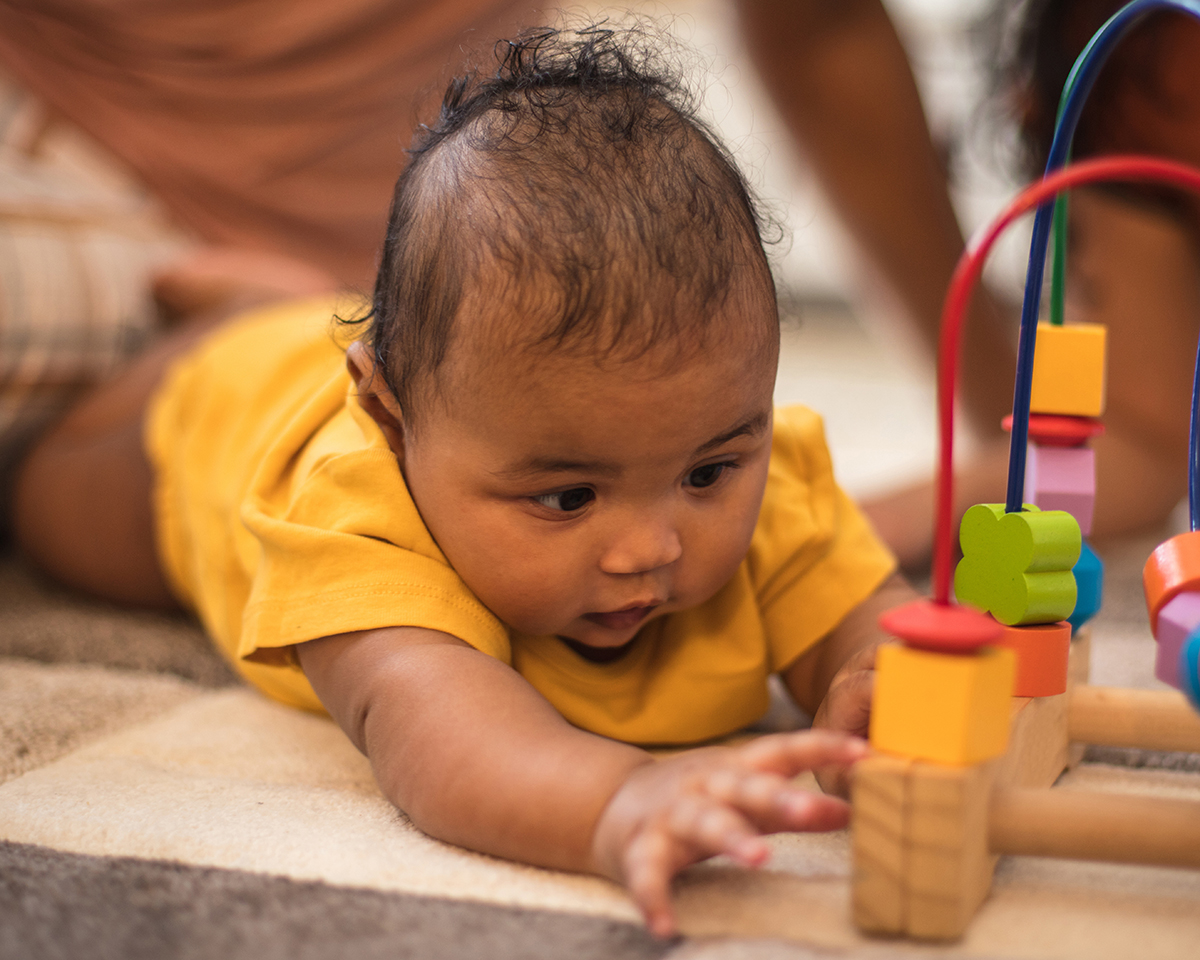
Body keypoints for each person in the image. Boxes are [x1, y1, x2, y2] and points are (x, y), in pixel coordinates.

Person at [11, 27, 915, 936]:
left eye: (710, 472)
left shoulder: (747, 475)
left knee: (445, 357)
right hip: (205, 417)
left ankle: (292, 300)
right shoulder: (360, 522)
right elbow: (449, 748)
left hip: (431, 379)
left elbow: (854, 608)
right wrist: (619, 803)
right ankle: (259, 313)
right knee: (39, 503)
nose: (652, 548)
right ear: (393, 424)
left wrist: (874, 679)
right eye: (569, 497)